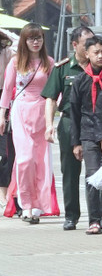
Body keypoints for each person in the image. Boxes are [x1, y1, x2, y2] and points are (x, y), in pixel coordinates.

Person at [64, 35, 102, 234]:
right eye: (96, 52)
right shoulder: (80, 80)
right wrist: (76, 142)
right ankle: (94, 220)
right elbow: (74, 111)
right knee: (92, 175)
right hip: (88, 133)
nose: (100, 56)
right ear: (86, 53)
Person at [1, 24, 58, 223]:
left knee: (41, 161)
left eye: (39, 38)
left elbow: (55, 91)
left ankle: (39, 205)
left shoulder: (49, 62)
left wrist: (53, 114)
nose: (35, 42)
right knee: (24, 159)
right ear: (24, 41)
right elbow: (7, 90)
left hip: (42, 113)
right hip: (21, 112)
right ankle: (25, 204)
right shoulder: (15, 62)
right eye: (31, 38)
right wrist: (2, 115)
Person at [41, 25, 92, 230]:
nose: (91, 47)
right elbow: (51, 99)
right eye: (86, 43)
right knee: (70, 171)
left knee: (95, 171)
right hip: (69, 122)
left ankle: (99, 216)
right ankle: (71, 215)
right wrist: (48, 126)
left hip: (92, 123)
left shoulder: (98, 67)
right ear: (75, 45)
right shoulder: (63, 68)